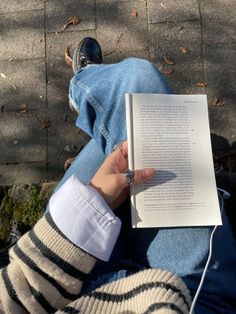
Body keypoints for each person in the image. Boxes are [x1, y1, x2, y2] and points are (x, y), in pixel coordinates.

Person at [0, 38, 236, 313]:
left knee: (137, 88)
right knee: (139, 82)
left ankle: (87, 88)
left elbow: (11, 299)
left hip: (63, 278)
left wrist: (90, 206)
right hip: (192, 294)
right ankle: (90, 88)